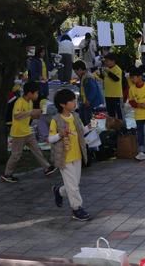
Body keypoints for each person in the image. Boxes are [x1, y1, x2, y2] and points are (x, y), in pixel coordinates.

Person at [1, 82, 56, 183]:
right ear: (29, 93)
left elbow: (29, 116)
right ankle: (7, 174)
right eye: (36, 93)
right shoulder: (19, 101)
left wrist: (39, 113)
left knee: (37, 150)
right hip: (18, 133)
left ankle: (47, 167)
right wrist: (31, 112)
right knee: (16, 155)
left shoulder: (30, 102)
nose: (37, 95)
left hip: (27, 131)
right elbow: (17, 115)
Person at [49, 88, 90, 221]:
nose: (74, 103)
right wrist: (60, 135)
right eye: (72, 101)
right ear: (63, 104)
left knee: (73, 184)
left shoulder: (76, 117)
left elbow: (81, 131)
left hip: (77, 155)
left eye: (75, 100)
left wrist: (91, 126)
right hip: (64, 158)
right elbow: (50, 139)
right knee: (73, 186)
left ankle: (59, 191)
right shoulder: (55, 120)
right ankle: (77, 208)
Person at [72, 60, 104, 126]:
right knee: (83, 117)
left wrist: (89, 100)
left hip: (91, 102)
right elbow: (84, 87)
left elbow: (93, 89)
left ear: (80, 69)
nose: (76, 74)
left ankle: (93, 132)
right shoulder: (83, 76)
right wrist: (77, 84)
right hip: (85, 101)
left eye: (76, 72)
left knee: (90, 118)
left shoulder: (88, 77)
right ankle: (87, 131)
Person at [100, 53, 123, 119]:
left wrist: (108, 72)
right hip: (108, 94)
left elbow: (116, 79)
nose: (105, 62)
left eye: (107, 61)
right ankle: (112, 126)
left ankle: (121, 126)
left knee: (118, 112)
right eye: (105, 61)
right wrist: (100, 74)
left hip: (116, 95)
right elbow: (104, 78)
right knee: (110, 112)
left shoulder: (117, 69)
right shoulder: (106, 69)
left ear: (113, 61)